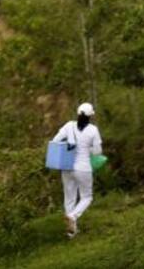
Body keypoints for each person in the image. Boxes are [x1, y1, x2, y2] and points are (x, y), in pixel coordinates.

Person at [51, 102, 103, 238]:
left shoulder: (69, 125)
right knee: (87, 197)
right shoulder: (93, 130)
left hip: (67, 167)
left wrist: (70, 145)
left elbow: (55, 141)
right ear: (90, 116)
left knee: (69, 198)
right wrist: (88, 149)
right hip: (83, 168)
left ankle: (71, 232)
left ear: (78, 113)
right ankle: (73, 216)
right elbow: (98, 151)